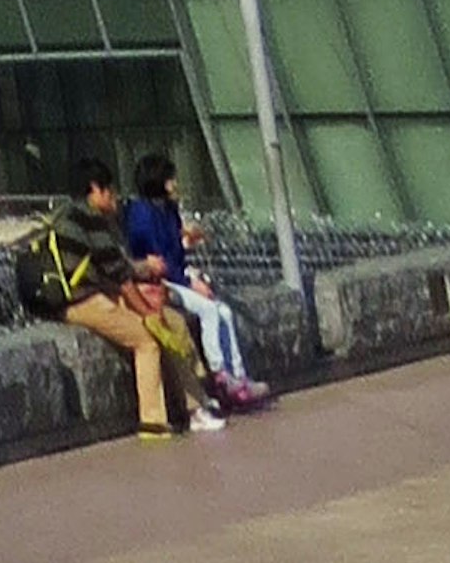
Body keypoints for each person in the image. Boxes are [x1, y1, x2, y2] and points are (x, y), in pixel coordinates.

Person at [18, 162, 215, 434]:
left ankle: (197, 406)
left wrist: (146, 273)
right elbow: (121, 278)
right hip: (77, 301)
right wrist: (147, 312)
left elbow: (116, 265)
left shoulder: (72, 215)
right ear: (95, 190)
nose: (113, 196)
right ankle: (153, 422)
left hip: (94, 293)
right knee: (147, 341)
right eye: (109, 190)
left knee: (172, 320)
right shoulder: (87, 218)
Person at [123, 152, 271, 408]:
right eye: (170, 180)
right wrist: (190, 282)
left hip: (175, 276)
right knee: (208, 309)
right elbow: (158, 262)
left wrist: (186, 249)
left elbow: (174, 253)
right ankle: (220, 375)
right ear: (157, 181)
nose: (175, 184)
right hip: (157, 283)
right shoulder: (142, 215)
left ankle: (239, 375)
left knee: (224, 311)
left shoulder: (168, 210)